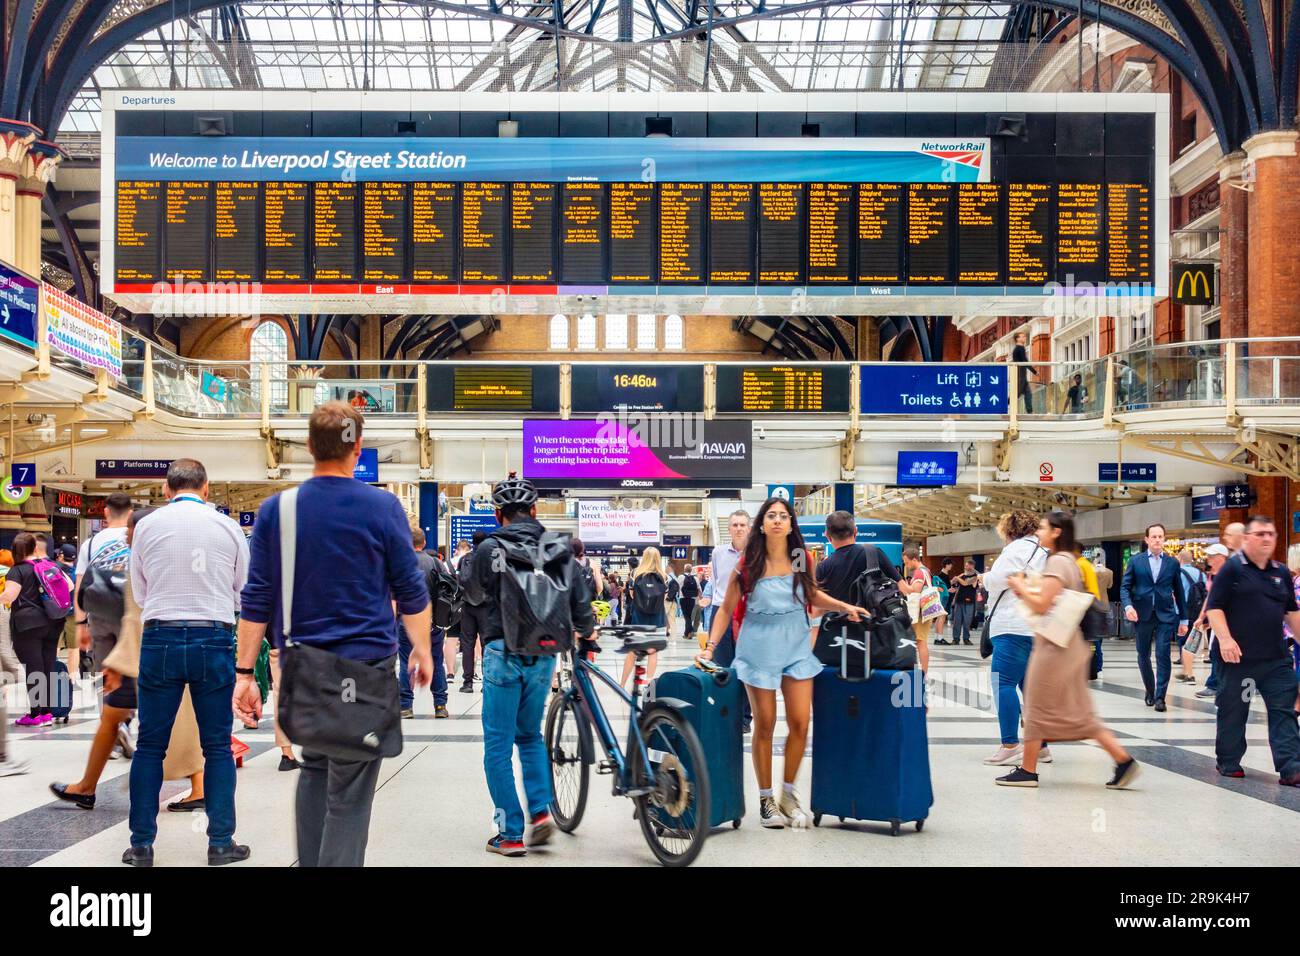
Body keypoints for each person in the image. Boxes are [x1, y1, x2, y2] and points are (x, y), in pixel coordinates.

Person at [235, 402, 433, 867]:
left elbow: (256, 597)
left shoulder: (277, 509)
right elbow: (411, 590)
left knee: (316, 770)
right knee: (351, 791)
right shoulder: (383, 507)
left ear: (308, 446)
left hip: (305, 666)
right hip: (365, 669)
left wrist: (245, 671)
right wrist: (422, 649)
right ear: (357, 448)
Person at [700, 497, 870, 828]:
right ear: (761, 524)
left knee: (800, 722)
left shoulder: (799, 557)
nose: (778, 520)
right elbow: (724, 608)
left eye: (783, 516)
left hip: (795, 644)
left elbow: (810, 595)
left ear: (791, 524)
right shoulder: (749, 562)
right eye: (771, 516)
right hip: (758, 646)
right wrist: (710, 647)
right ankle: (765, 798)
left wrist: (842, 606)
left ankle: (788, 795)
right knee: (764, 722)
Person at [126, 458, 250, 867]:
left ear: (166, 489)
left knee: (149, 746)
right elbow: (241, 589)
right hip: (213, 637)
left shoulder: (146, 526)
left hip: (159, 637)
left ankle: (141, 845)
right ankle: (220, 843)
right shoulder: (228, 527)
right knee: (216, 746)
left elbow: (141, 590)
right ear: (207, 488)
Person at [462, 474, 595, 856]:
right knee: (530, 736)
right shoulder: (559, 546)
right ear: (535, 511)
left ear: (499, 514)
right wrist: (586, 633)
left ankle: (510, 833)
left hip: (502, 651)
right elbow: (580, 604)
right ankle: (540, 814)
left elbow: (470, 592)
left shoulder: (490, 547)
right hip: (543, 655)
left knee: (498, 747)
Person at [51, 507, 206, 810]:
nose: (126, 535)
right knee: (127, 717)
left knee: (170, 722)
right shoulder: (156, 563)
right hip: (145, 655)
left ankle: (194, 789)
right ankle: (87, 786)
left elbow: (137, 620)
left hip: (145, 657)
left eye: (131, 530)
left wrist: (117, 663)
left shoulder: (145, 566)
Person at [995, 511, 1141, 789]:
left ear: (1057, 532)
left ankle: (1028, 771)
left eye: (1043, 528)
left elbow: (1040, 605)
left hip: (1055, 647)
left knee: (1036, 706)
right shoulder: (1068, 560)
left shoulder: (1058, 562)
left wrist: (1018, 585)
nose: (1038, 533)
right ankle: (1123, 760)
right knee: (1079, 712)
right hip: (1068, 644)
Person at [1204, 515, 1300, 785]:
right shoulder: (1232, 570)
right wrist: (1224, 639)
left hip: (1276, 660)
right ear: (1246, 539)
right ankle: (1229, 761)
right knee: (1235, 710)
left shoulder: (1280, 572)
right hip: (1239, 661)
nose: (1267, 538)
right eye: (1260, 534)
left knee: (1284, 711)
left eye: (1271, 534)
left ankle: (1291, 767)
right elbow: (1215, 606)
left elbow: (1291, 613)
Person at [981, 510, 1050, 766]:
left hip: (1012, 626)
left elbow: (997, 581)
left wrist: (984, 577)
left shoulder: (1014, 550)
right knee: (1029, 687)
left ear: (1009, 530)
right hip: (1037, 627)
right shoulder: (1044, 552)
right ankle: (1040, 746)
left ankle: (1009, 743)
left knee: (1004, 684)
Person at [73, 491, 134, 755]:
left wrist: (80, 625)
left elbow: (80, 587)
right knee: (132, 670)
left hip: (99, 615)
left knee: (104, 674)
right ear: (131, 513)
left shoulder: (90, 543)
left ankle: (108, 732)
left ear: (106, 513)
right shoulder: (136, 538)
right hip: (129, 615)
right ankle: (129, 723)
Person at [1, 532, 70, 726]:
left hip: (28, 625)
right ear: (34, 548)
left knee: (34, 669)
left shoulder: (18, 570)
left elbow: (10, 596)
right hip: (53, 622)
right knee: (47, 666)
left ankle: (35, 715)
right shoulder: (50, 566)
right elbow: (70, 585)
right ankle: (47, 713)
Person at [1120, 523, 1188, 712]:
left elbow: (1179, 592)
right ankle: (1150, 691)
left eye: (1161, 536)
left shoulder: (1172, 563)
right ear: (1147, 540)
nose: (1158, 540)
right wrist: (1128, 606)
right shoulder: (1136, 561)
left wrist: (1184, 619)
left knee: (1163, 655)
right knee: (1143, 654)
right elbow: (1125, 587)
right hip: (1142, 615)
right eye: (1154, 536)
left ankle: (1160, 697)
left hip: (1165, 615)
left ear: (1164, 539)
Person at [709, 510, 753, 729]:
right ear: (729, 529)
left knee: (745, 666)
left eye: (742, 525)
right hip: (721, 611)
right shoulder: (718, 553)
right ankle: (724, 714)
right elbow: (717, 581)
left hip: (746, 613)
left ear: (749, 528)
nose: (738, 528)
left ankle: (745, 718)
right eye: (734, 524)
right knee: (721, 666)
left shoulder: (756, 554)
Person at [398, 527, 449, 720]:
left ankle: (405, 706)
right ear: (424, 543)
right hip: (433, 622)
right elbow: (448, 589)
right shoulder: (436, 562)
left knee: (405, 661)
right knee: (436, 660)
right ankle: (440, 705)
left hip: (406, 621)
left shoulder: (402, 563)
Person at [815, 511, 902, 610]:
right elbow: (903, 588)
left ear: (827, 536)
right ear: (855, 531)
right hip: (872, 622)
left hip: (838, 623)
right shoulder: (874, 553)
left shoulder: (822, 567)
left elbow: (814, 611)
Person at [621, 547, 668, 688]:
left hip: (639, 619)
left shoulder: (636, 573)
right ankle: (649, 688)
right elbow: (664, 598)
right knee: (652, 653)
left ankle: (622, 685)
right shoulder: (663, 576)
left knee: (632, 652)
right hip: (657, 620)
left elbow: (632, 595)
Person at [1194, 544, 1233, 699]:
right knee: (1215, 651)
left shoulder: (1230, 574)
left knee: (1218, 651)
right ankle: (1215, 683)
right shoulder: (1213, 575)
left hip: (1227, 620)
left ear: (1221, 557)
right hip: (1216, 619)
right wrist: (1202, 616)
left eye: (1212, 555)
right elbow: (1210, 598)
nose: (1208, 558)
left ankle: (1215, 684)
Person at [454, 530, 489, 692]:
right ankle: (487, 682)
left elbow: (458, 581)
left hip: (467, 606)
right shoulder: (489, 558)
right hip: (485, 607)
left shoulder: (464, 559)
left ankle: (467, 682)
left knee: (467, 644)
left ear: (472, 543)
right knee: (486, 644)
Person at [901, 546, 938, 668]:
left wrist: (901, 585)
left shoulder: (919, 572)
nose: (906, 565)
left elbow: (915, 590)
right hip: (924, 611)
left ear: (914, 559)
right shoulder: (925, 571)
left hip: (920, 613)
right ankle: (923, 672)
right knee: (920, 641)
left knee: (920, 642)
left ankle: (924, 674)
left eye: (907, 562)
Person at [1175, 549, 1208, 684]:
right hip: (1198, 612)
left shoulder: (1178, 573)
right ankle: (1186, 670)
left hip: (1182, 611)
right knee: (1193, 639)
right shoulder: (1201, 574)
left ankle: (1188, 672)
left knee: (1183, 641)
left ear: (1180, 559)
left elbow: (1175, 593)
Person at [948, 559, 980, 647]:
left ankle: (966, 639)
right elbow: (953, 583)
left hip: (969, 602)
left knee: (967, 621)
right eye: (965, 565)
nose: (965, 567)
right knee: (956, 621)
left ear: (972, 566)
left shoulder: (975, 576)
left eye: (967, 565)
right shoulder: (962, 575)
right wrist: (954, 581)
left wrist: (957, 578)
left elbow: (965, 583)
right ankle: (956, 639)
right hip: (959, 601)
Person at [1011, 330, 1036, 414]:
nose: (1025, 337)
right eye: (1022, 336)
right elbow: (1025, 362)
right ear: (1017, 339)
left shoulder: (1019, 348)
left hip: (1021, 374)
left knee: (1028, 393)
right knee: (1016, 394)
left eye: (1025, 336)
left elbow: (1024, 362)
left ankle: (1030, 412)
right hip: (1020, 375)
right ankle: (1001, 405)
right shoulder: (1019, 348)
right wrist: (1035, 372)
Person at [678, 565, 699, 643]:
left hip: (683, 598)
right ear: (691, 570)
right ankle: (688, 633)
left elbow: (678, 587)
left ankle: (689, 632)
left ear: (684, 569)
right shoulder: (695, 578)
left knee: (686, 616)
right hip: (692, 599)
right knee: (689, 616)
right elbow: (699, 588)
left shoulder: (681, 577)